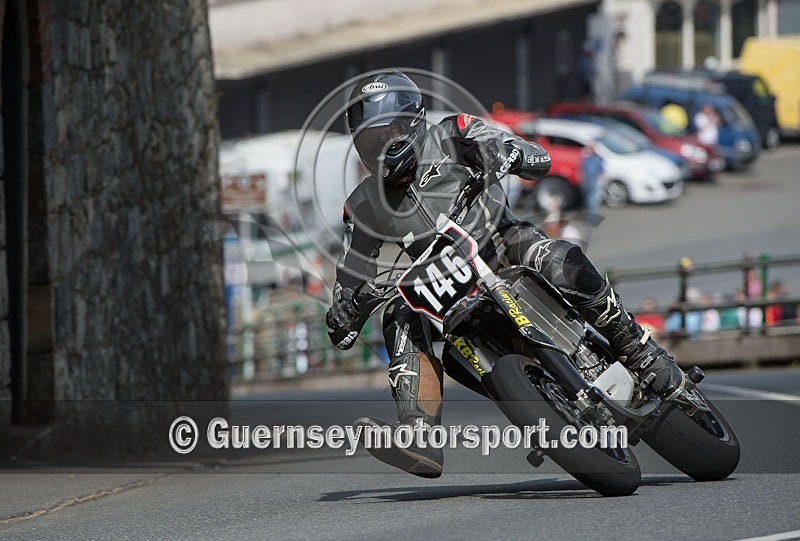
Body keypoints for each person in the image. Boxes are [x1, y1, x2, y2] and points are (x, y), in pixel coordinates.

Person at [325, 70, 685, 478]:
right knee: (399, 315)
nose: (381, 145)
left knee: (556, 258)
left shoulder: (453, 133)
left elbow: (532, 155)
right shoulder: (362, 205)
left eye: (389, 133)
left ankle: (636, 348)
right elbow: (349, 275)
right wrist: (345, 309)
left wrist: (509, 153)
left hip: (500, 244)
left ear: (413, 122)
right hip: (442, 287)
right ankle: (419, 433)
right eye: (371, 138)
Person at [579, 142, 604, 225]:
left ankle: (592, 218)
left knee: (591, 200)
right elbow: (582, 169)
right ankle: (590, 217)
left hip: (593, 180)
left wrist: (597, 180)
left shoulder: (597, 159)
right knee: (587, 200)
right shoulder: (585, 158)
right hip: (586, 181)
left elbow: (601, 171)